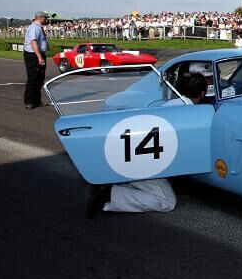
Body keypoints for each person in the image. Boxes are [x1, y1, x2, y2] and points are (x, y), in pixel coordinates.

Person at [86, 73, 208, 217]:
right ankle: (109, 194)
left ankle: (117, 183)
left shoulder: (171, 105)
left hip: (130, 157)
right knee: (167, 202)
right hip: (145, 163)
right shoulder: (192, 114)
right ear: (203, 93)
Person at [23, 11, 49, 110]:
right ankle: (29, 101)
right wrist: (39, 57)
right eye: (45, 18)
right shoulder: (34, 28)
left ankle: (37, 100)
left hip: (39, 53)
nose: (46, 20)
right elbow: (33, 43)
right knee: (33, 78)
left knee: (40, 78)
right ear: (41, 18)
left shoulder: (38, 27)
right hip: (33, 55)